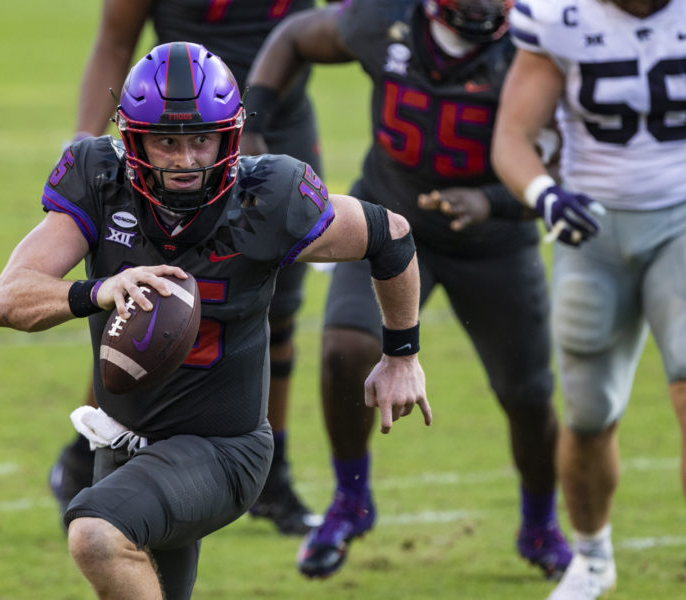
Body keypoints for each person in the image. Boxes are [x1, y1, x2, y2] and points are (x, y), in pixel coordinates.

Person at [0, 42, 432, 600]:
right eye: (165, 141)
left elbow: (390, 235)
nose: (184, 160)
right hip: (124, 441)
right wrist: (99, 289)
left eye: (201, 139)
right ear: (131, 138)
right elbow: (7, 300)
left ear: (230, 136)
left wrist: (402, 355)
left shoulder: (268, 197)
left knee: (98, 536)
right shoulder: (101, 182)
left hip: (224, 449)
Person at [243, 0, 572, 580]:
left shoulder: (537, 38)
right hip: (383, 224)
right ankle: (350, 501)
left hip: (494, 241)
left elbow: (567, 158)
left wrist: (491, 200)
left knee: (528, 396)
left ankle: (541, 526)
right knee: (345, 349)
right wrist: (255, 125)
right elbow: (293, 36)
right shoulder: (383, 20)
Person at [49, 0, 338, 536]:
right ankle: (88, 445)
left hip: (273, 131)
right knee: (142, 306)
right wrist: (83, 144)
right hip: (159, 138)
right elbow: (116, 38)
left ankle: (271, 469)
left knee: (277, 312)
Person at [492, 1, 686, 598]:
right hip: (592, 228)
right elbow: (513, 136)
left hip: (681, 217)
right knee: (589, 414)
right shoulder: (558, 13)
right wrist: (546, 194)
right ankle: (593, 557)